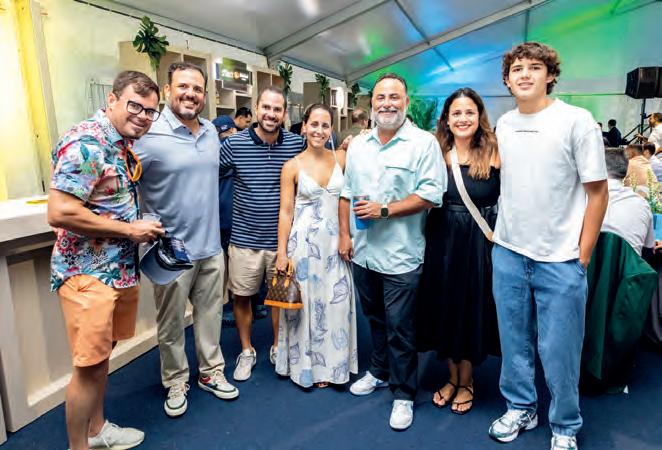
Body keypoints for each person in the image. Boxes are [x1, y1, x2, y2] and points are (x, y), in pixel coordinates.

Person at [488, 42, 608, 450]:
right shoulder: (504, 124)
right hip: (508, 252)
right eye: (517, 69)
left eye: (534, 67)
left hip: (560, 259)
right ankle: (521, 407)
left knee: (560, 350)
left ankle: (565, 425)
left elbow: (597, 192)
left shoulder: (577, 121)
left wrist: (582, 256)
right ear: (507, 80)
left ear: (550, 75)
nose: (525, 74)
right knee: (513, 343)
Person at [48, 70, 165, 450]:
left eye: (150, 111)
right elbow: (60, 211)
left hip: (117, 271)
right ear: (112, 100)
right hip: (88, 274)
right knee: (88, 368)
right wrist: (130, 230)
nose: (143, 116)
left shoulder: (120, 144)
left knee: (101, 359)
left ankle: (96, 431)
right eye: (135, 106)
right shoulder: (87, 142)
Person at [339, 72, 446, 430]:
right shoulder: (359, 145)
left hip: (401, 254)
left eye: (394, 97)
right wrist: (345, 235)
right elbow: (347, 193)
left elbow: (431, 195)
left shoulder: (423, 143)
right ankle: (379, 370)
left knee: (401, 327)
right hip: (364, 252)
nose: (387, 103)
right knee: (375, 318)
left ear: (406, 102)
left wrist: (384, 210)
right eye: (381, 97)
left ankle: (403, 393)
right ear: (372, 103)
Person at [134, 62, 238, 418]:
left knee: (211, 316)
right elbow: (121, 181)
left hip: (210, 247)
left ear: (204, 95)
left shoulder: (210, 132)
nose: (190, 94)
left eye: (197, 89)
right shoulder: (148, 134)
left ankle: (211, 372)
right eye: (183, 87)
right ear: (167, 90)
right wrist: (139, 222)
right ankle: (176, 380)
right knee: (172, 322)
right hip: (171, 252)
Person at [416, 87, 500, 415]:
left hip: (478, 242)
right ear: (447, 119)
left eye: (469, 112)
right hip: (442, 239)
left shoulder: (494, 150)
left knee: (471, 308)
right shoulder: (436, 151)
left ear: (479, 117)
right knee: (445, 307)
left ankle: (467, 380)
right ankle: (452, 377)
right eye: (456, 113)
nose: (463, 118)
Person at [219, 85, 304, 381]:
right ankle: (247, 350)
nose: (271, 114)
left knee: (278, 299)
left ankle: (279, 346)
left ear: (284, 113)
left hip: (282, 242)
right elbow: (208, 176)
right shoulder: (234, 144)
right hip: (244, 239)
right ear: (256, 109)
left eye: (277, 109)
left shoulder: (296, 144)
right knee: (242, 297)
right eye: (266, 107)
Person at [274, 103, 358, 388]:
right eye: (314, 124)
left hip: (336, 243)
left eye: (325, 125)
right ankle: (309, 369)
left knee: (336, 303)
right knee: (306, 306)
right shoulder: (291, 166)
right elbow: (286, 211)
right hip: (303, 245)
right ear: (304, 127)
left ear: (331, 129)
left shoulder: (342, 158)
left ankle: (335, 367)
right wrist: (281, 253)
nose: (319, 130)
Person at [601, 148, 654, 256]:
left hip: (587, 265)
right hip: (630, 266)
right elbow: (648, 248)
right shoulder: (642, 204)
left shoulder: (582, 200)